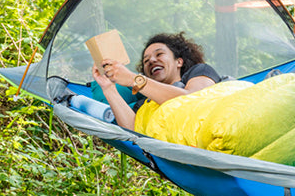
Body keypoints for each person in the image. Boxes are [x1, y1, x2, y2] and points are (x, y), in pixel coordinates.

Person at [92, 33, 221, 130]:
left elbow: (194, 101)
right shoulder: (146, 103)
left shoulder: (200, 71)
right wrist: (108, 88)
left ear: (179, 61)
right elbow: (132, 129)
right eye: (146, 61)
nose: (152, 60)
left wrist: (133, 79)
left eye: (159, 54)